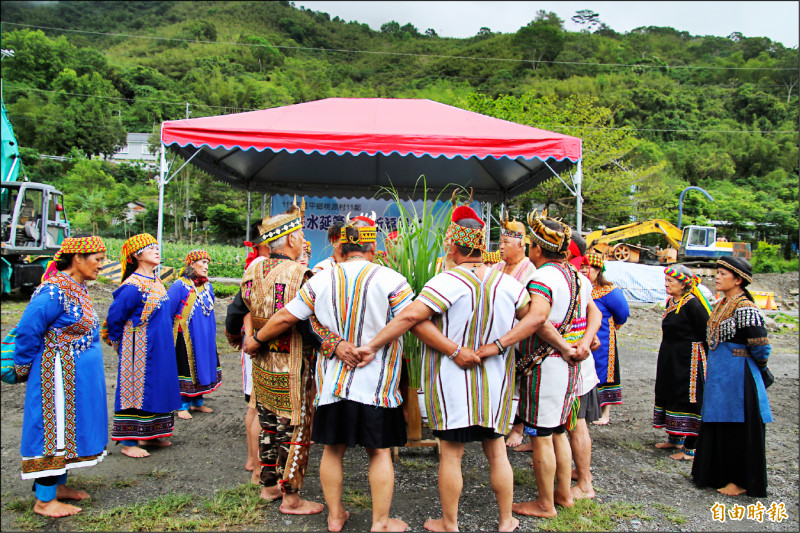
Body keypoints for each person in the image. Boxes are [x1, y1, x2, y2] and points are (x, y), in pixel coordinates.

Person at [358, 204, 546, 532]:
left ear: (455, 246)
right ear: (482, 245)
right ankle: (505, 521)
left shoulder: (446, 282)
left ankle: (450, 523)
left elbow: (410, 318)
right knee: (497, 452)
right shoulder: (510, 285)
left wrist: (374, 345)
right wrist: (501, 345)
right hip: (495, 384)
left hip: (451, 385)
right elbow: (535, 319)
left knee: (452, 455)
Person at [247, 213, 413, 533]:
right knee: (378, 452)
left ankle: (335, 516)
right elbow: (410, 320)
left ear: (340, 249)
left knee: (332, 450)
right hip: (377, 385)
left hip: (333, 385)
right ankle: (380, 522)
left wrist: (256, 340)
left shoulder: (321, 279)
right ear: (372, 249)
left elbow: (285, 317)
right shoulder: (392, 280)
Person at [504, 210, 601, 518]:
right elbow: (594, 314)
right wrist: (583, 344)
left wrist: (564, 346)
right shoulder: (577, 276)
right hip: (571, 365)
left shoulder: (542, 277)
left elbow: (539, 320)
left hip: (547, 366)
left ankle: (545, 503)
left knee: (542, 435)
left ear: (536, 248)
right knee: (559, 430)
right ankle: (563, 494)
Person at [239, 204, 332, 515]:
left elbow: (237, 313)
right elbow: (306, 324)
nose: (303, 241)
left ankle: (269, 486)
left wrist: (247, 342)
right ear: (290, 240)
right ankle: (292, 498)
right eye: (301, 236)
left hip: (261, 362)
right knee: (295, 429)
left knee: (267, 426)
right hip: (293, 366)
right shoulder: (299, 274)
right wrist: (331, 346)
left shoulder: (253, 269)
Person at [13, 236, 109, 517]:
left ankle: (58, 486)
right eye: (97, 259)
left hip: (74, 375)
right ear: (77, 258)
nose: (101, 265)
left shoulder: (76, 288)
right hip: (55, 375)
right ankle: (44, 500)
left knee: (69, 429)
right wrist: (22, 369)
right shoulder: (53, 292)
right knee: (53, 431)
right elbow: (28, 330)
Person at [692, 257, 773, 497]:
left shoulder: (745, 307)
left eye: (722, 274)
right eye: (716, 272)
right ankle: (715, 473)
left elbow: (760, 344)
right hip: (720, 375)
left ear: (738, 280)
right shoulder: (719, 305)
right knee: (718, 423)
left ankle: (741, 480)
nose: (716, 277)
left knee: (738, 427)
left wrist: (759, 365)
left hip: (739, 375)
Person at [104, 233, 181, 459]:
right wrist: (122, 344)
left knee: (158, 386)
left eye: (157, 247)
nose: (157, 251)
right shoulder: (132, 286)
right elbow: (114, 318)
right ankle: (128, 441)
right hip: (139, 348)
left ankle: (151, 434)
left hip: (160, 347)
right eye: (150, 248)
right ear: (137, 256)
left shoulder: (156, 281)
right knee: (135, 390)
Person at [225, 229, 270, 483]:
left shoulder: (258, 264)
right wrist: (249, 335)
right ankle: (255, 464)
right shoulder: (260, 266)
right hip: (258, 342)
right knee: (257, 404)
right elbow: (243, 306)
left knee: (256, 403)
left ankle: (254, 461)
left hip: (255, 339)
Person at [653, 264, 711, 461]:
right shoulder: (671, 301)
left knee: (689, 397)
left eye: (671, 281)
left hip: (689, 360)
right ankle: (675, 437)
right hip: (670, 357)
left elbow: (707, 333)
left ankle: (691, 448)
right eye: (666, 280)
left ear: (683, 283)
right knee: (670, 392)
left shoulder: (693, 304)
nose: (666, 284)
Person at [490, 217, 537, 452]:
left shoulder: (530, 270)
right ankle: (496, 421)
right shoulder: (497, 267)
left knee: (523, 381)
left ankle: (518, 427)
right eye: (500, 242)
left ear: (521, 245)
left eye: (506, 242)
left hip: (520, 334)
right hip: (497, 331)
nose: (500, 247)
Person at [168, 250, 222, 420]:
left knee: (202, 364)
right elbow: (169, 311)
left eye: (207, 263)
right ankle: (182, 404)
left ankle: (197, 401)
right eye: (203, 262)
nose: (206, 266)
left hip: (204, 334)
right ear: (192, 264)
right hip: (186, 335)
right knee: (186, 366)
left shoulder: (207, 286)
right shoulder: (180, 285)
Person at [581, 252, 629, 425]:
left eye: (590, 267)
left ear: (599, 270)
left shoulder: (610, 291)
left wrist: (611, 327)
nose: (586, 270)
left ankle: (605, 412)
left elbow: (623, 314)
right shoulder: (582, 286)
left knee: (605, 372)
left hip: (604, 338)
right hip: (584, 336)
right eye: (583, 266)